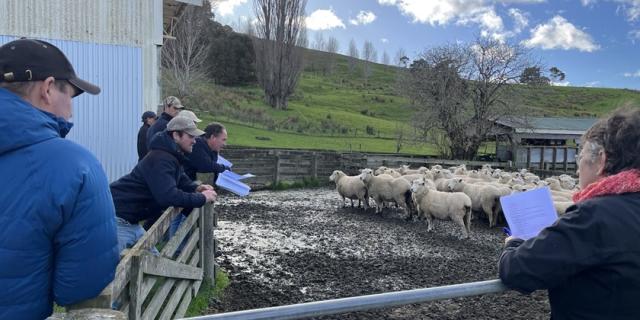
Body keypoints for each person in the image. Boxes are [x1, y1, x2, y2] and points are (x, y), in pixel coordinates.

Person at [0, 39, 119, 319]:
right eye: (72, 95)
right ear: (48, 88)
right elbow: (80, 286)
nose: (72, 109)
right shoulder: (75, 166)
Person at [499, 107, 640, 319]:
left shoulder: (593, 216)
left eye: (580, 157)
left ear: (601, 160)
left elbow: (518, 270)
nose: (576, 170)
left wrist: (513, 243)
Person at [110, 116, 217, 253]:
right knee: (112, 269)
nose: (194, 141)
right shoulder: (161, 159)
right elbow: (168, 196)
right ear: (176, 135)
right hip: (118, 219)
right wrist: (202, 198)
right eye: (190, 136)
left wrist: (195, 187)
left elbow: (178, 177)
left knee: (152, 264)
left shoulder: (169, 155)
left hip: (131, 221)